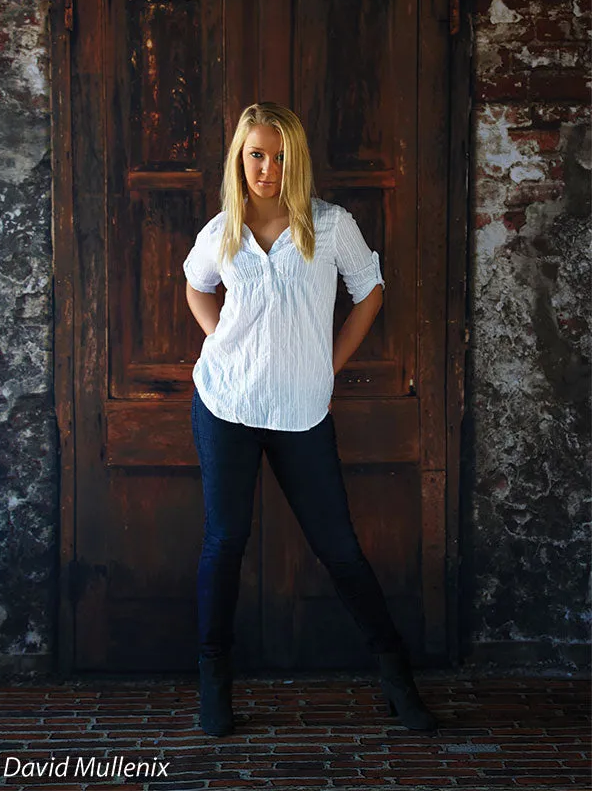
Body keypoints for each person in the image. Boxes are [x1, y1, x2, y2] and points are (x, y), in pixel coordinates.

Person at [183, 102, 437, 737]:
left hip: (302, 409)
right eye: (256, 155)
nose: (268, 169)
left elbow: (370, 290)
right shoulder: (223, 230)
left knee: (339, 547)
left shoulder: (331, 226)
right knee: (225, 541)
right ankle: (214, 682)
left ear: (296, 158)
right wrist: (219, 338)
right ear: (240, 159)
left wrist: (329, 363)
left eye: (279, 155)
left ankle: (395, 674)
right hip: (228, 403)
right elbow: (195, 284)